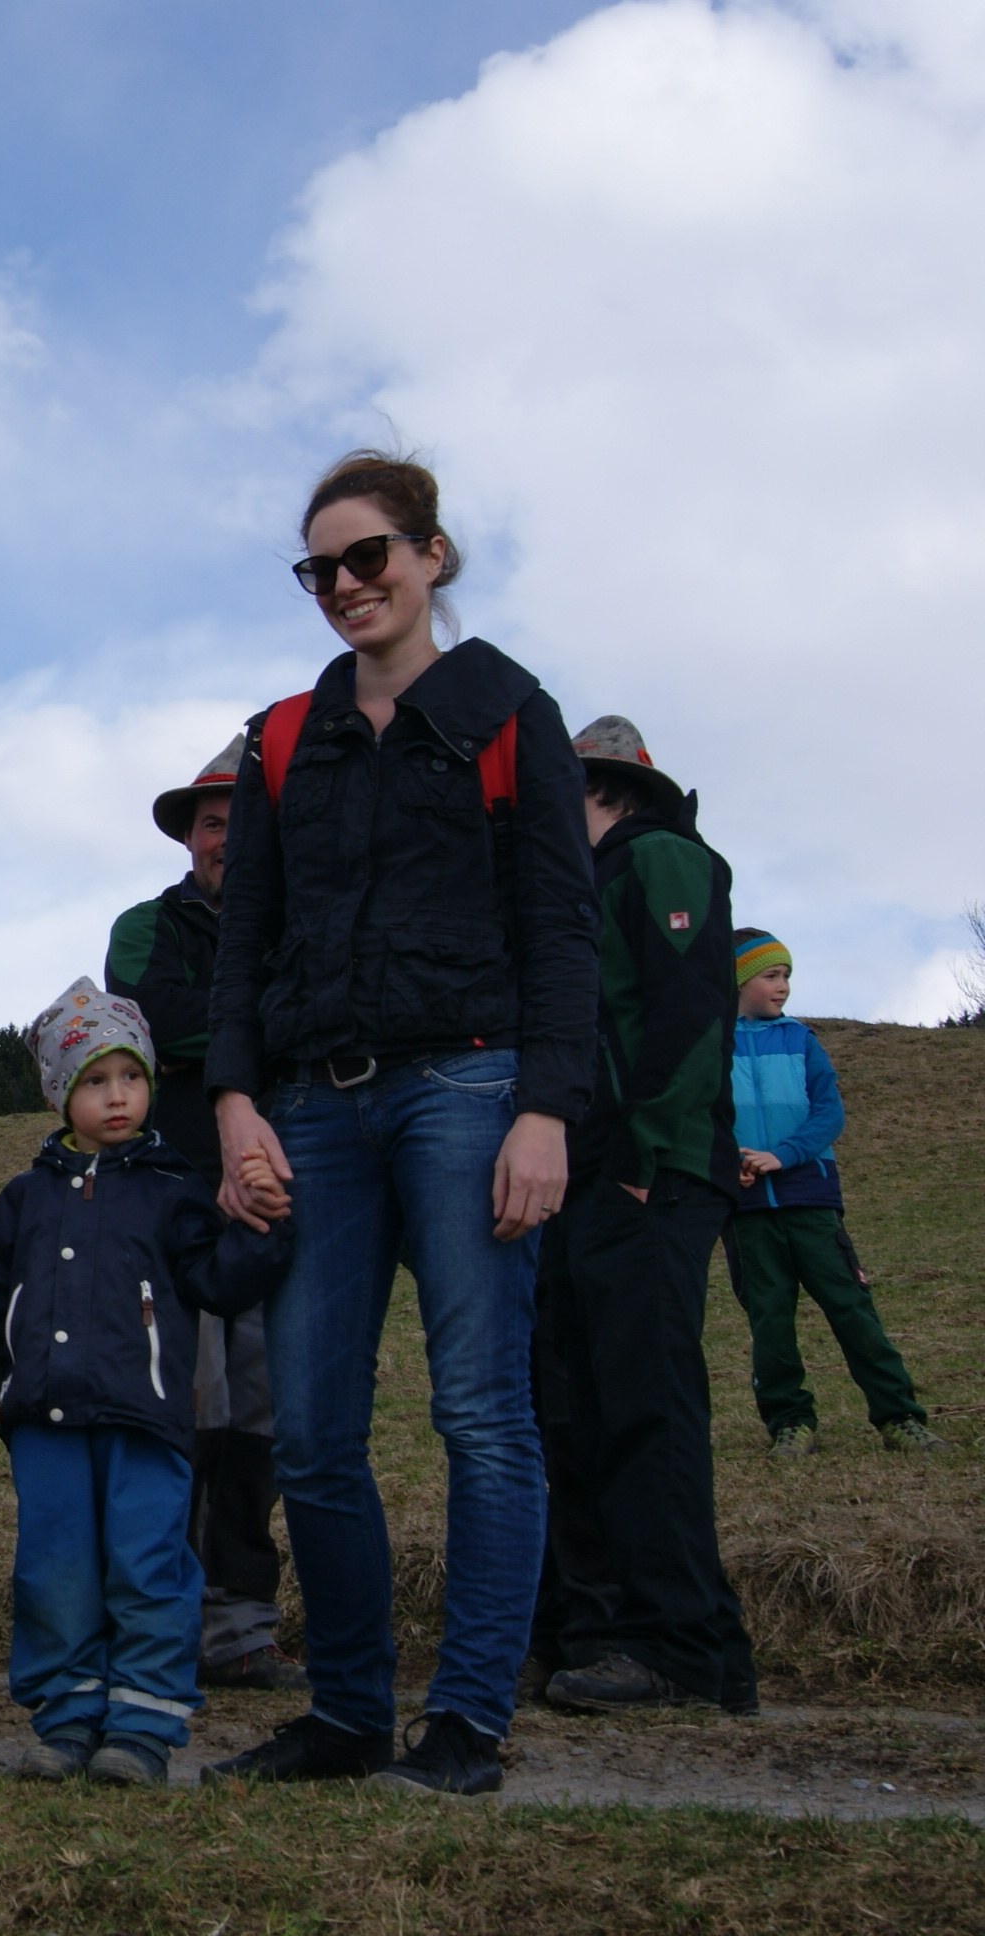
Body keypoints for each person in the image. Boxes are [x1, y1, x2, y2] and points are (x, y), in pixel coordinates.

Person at [202, 450, 598, 1797]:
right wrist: (236, 1104)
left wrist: (544, 1109)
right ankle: (347, 1717)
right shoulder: (280, 738)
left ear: (432, 555)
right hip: (312, 1107)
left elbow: (561, 929)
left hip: (470, 1091)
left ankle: (467, 1723)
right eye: (319, 568)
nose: (344, 585)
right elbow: (244, 937)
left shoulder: (509, 713)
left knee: (481, 1413)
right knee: (313, 1430)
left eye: (367, 556)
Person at [0, 981, 291, 1787]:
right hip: (43, 1424)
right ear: (59, 1093)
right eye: (95, 1080)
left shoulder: (176, 1192)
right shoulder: (23, 1198)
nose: (117, 1096)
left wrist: (266, 1226)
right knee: (54, 1570)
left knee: (148, 1565)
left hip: (148, 1420)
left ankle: (141, 1726)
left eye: (131, 1077)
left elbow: (218, 1282)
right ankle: (67, 1719)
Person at [522, 717, 757, 1716]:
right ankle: (605, 1631)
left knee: (645, 1400)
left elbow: (691, 1008)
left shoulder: (660, 856)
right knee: (578, 1400)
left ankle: (680, 1647)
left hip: (647, 1174)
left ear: (605, 790)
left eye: (557, 790)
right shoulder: (583, 883)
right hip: (587, 1176)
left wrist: (643, 1156)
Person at [109, 732, 303, 1695]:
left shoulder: (304, 920)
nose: (228, 838)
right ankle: (161, 1619)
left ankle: (240, 1626)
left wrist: (221, 1026)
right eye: (214, 822)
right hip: (173, 1199)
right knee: (185, 1408)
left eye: (244, 821)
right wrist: (271, 1022)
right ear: (189, 837)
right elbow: (145, 1016)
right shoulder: (145, 925)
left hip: (280, 1194)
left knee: (261, 1416)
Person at [726, 930, 944, 1455]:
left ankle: (899, 1417)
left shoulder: (801, 1040)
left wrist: (783, 1155)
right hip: (746, 1209)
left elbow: (829, 1113)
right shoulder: (710, 1046)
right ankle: (790, 1424)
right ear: (736, 980)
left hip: (811, 1200)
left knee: (852, 1308)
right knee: (770, 1321)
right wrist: (727, 1160)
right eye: (770, 976)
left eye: (787, 976)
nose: (783, 986)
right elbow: (700, 1114)